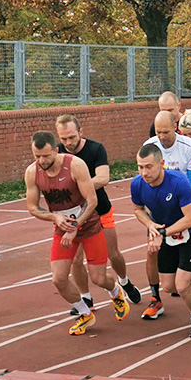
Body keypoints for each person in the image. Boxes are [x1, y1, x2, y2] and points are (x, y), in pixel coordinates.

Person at [26, 131, 130, 335]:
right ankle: (85, 313)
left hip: (89, 225)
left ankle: (116, 292)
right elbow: (32, 207)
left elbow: (92, 201)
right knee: (59, 279)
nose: (42, 160)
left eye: (46, 155)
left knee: (99, 278)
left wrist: (76, 226)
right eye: (37, 156)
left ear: (56, 151)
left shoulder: (75, 165)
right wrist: (55, 218)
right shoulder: (32, 172)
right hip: (62, 229)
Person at [56, 114, 141, 314]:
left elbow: (103, 178)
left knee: (113, 254)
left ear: (80, 132)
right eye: (63, 138)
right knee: (76, 260)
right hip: (74, 214)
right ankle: (86, 297)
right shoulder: (57, 152)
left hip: (100, 209)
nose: (68, 142)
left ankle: (124, 281)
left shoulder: (96, 149)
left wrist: (76, 184)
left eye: (71, 137)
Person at [131, 143, 191, 339]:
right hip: (163, 231)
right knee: (169, 287)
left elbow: (190, 218)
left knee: (182, 285)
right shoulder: (137, 183)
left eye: (149, 166)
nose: (144, 172)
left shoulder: (178, 182)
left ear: (162, 164)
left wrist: (162, 233)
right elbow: (138, 209)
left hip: (190, 232)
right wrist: (150, 225)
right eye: (140, 167)